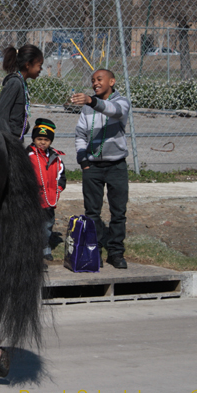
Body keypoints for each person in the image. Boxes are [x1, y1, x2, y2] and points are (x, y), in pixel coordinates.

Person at [70, 69, 130, 269]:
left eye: (99, 79)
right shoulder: (88, 107)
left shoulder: (121, 102)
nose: (95, 83)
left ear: (112, 81)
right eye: (93, 80)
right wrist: (82, 159)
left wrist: (90, 101)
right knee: (92, 212)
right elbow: (80, 133)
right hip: (92, 167)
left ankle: (115, 253)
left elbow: (114, 111)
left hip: (116, 166)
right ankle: (92, 252)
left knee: (118, 212)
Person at [26, 118, 66, 261]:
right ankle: (31, 250)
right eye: (39, 138)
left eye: (46, 140)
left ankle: (45, 248)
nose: (42, 142)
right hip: (33, 199)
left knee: (47, 225)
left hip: (49, 199)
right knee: (32, 226)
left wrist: (58, 189)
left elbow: (61, 175)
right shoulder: (28, 155)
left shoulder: (56, 157)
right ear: (34, 139)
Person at [0, 45, 44, 141]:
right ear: (28, 65)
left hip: (16, 140)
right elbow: (0, 116)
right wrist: (9, 142)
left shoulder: (22, 83)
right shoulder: (14, 83)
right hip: (10, 141)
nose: (41, 69)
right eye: (39, 66)